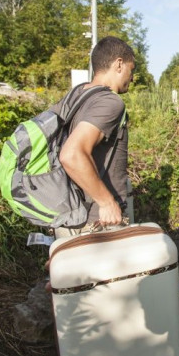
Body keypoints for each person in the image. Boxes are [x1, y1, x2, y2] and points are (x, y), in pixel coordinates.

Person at [54, 36, 135, 239]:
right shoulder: (110, 102)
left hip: (69, 214)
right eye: (131, 69)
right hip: (98, 222)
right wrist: (107, 202)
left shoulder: (76, 95)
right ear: (119, 64)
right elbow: (71, 154)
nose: (132, 77)